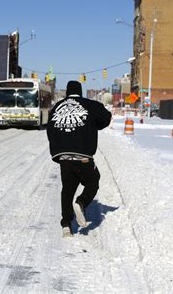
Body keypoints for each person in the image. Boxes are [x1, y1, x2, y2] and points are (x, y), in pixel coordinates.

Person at [46, 80, 112, 237]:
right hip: (83, 156)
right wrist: (92, 125)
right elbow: (106, 118)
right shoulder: (90, 104)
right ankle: (81, 203)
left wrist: (59, 148)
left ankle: (66, 225)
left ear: (67, 92)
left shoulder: (56, 107)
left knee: (67, 190)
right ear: (80, 91)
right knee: (93, 181)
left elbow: (50, 130)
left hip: (63, 157)